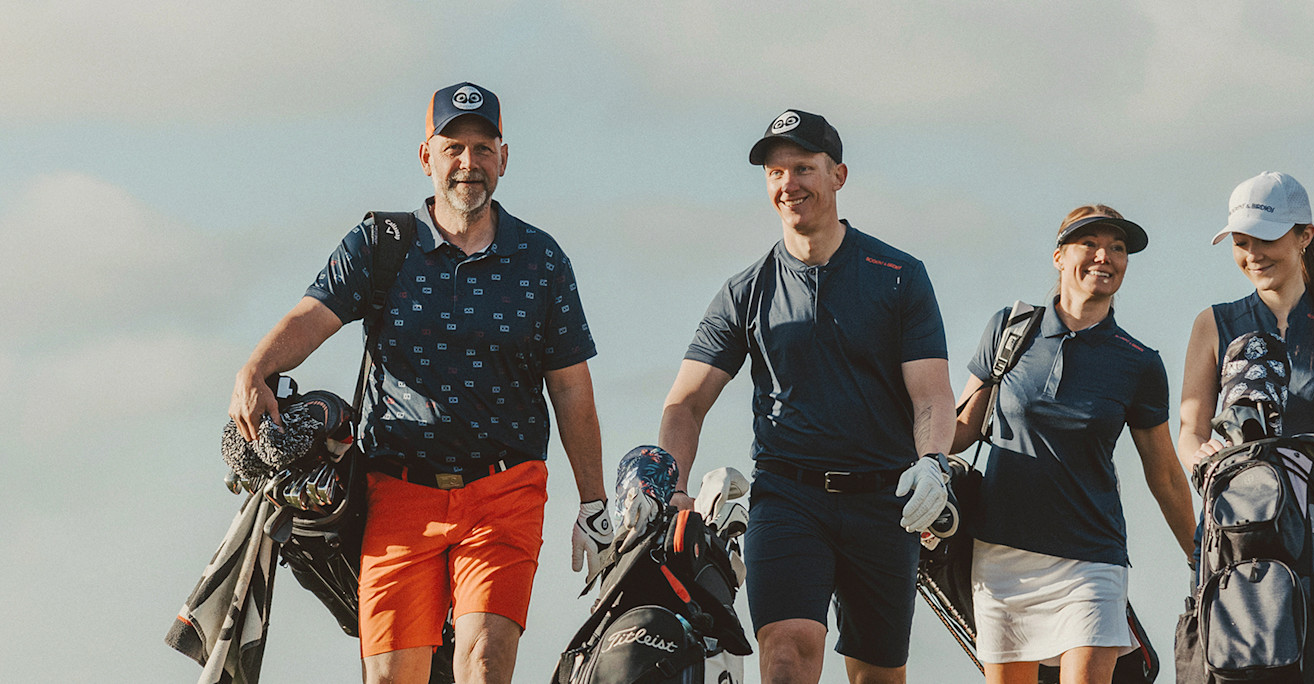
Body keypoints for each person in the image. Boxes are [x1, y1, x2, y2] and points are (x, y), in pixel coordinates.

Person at [227, 82, 611, 684]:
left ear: (503, 159)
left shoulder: (541, 260)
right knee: (390, 678)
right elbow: (314, 315)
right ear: (427, 156)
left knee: (483, 663)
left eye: (483, 149)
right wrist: (254, 368)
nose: (468, 164)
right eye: (453, 148)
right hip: (399, 492)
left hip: (504, 491)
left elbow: (571, 389)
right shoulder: (381, 245)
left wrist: (594, 505)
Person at [646, 109, 955, 684]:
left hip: (884, 500)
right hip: (789, 499)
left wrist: (933, 463)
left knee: (877, 676)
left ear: (838, 175)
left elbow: (931, 394)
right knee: (786, 654)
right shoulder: (745, 291)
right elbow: (684, 404)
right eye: (776, 172)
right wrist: (675, 489)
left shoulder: (898, 276)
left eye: (804, 168)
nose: (789, 184)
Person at [951, 206, 1196, 684]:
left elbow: (1163, 471)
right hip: (1002, 556)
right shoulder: (1009, 329)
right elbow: (961, 430)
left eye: (1118, 248)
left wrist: (1200, 553)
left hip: (1091, 557)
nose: (1104, 256)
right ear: (1060, 257)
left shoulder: (1139, 362)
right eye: (1090, 244)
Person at [1177, 171, 1314, 597]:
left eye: (1265, 239)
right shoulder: (1213, 324)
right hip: (1236, 530)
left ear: (1304, 235)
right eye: (1241, 242)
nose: (1252, 255)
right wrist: (1201, 456)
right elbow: (1190, 432)